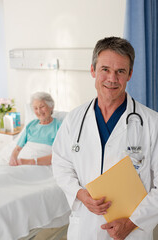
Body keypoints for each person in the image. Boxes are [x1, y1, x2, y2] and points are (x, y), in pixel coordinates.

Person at [52, 37, 158, 240]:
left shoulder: (152, 123)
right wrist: (80, 194)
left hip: (132, 231)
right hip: (84, 227)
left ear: (130, 75)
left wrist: (131, 223)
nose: (112, 78)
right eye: (105, 69)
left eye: (120, 71)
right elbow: (60, 163)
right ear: (93, 70)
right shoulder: (74, 119)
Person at [9, 92, 62, 166]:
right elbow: (18, 148)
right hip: (21, 163)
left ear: (51, 107)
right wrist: (13, 158)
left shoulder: (59, 126)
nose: (39, 111)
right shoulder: (31, 125)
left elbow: (59, 155)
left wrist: (30, 162)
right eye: (36, 108)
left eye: (42, 106)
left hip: (40, 166)